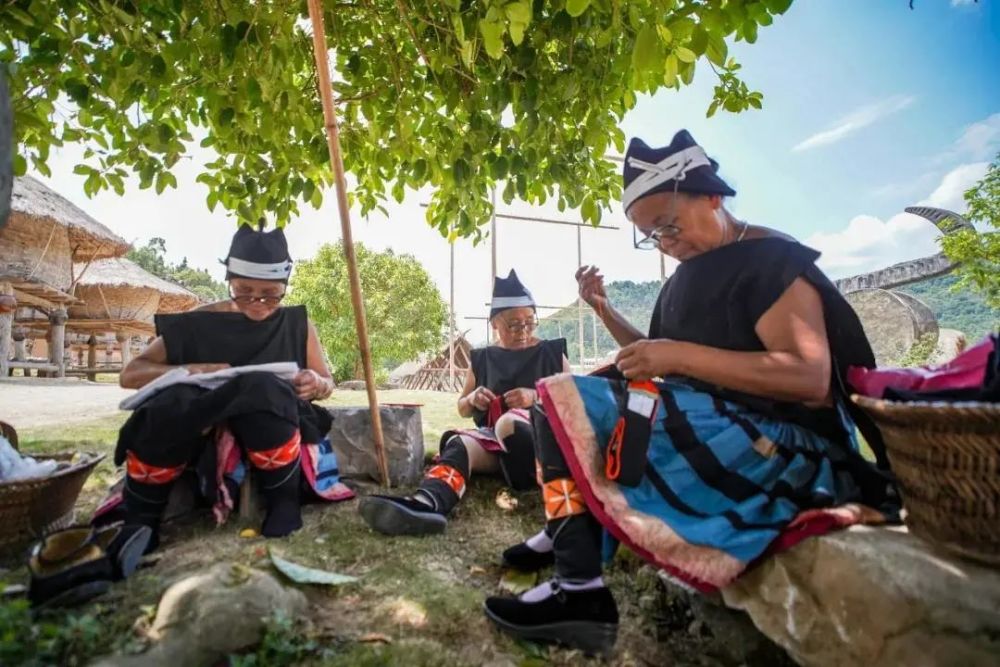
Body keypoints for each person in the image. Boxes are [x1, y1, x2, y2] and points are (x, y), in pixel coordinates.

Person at [483, 130, 897, 655]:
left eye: (668, 224)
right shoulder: (688, 276)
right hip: (723, 423)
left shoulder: (772, 259)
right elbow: (657, 352)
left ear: (712, 195)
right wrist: (605, 310)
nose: (665, 241)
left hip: (784, 444)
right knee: (555, 399)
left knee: (567, 397)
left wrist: (674, 357)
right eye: (650, 235)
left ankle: (578, 585)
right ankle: (572, 544)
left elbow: (807, 378)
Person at [115, 223, 348, 547]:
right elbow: (130, 375)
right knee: (170, 403)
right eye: (244, 291)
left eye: (270, 294)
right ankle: (142, 520)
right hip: (200, 418)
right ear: (229, 282)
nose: (256, 302)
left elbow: (327, 381)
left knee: (263, 387)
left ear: (284, 286)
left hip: (270, 413)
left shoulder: (298, 324)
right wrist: (188, 368)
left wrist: (316, 383)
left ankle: (284, 503)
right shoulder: (197, 323)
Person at [360, 270, 569, 536]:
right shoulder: (481, 359)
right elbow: (462, 407)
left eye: (530, 321)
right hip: (497, 447)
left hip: (543, 445)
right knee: (461, 444)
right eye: (514, 324)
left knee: (509, 423)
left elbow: (576, 400)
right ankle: (427, 504)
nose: (524, 331)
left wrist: (535, 396)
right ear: (495, 324)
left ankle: (529, 474)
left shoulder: (552, 353)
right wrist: (472, 398)